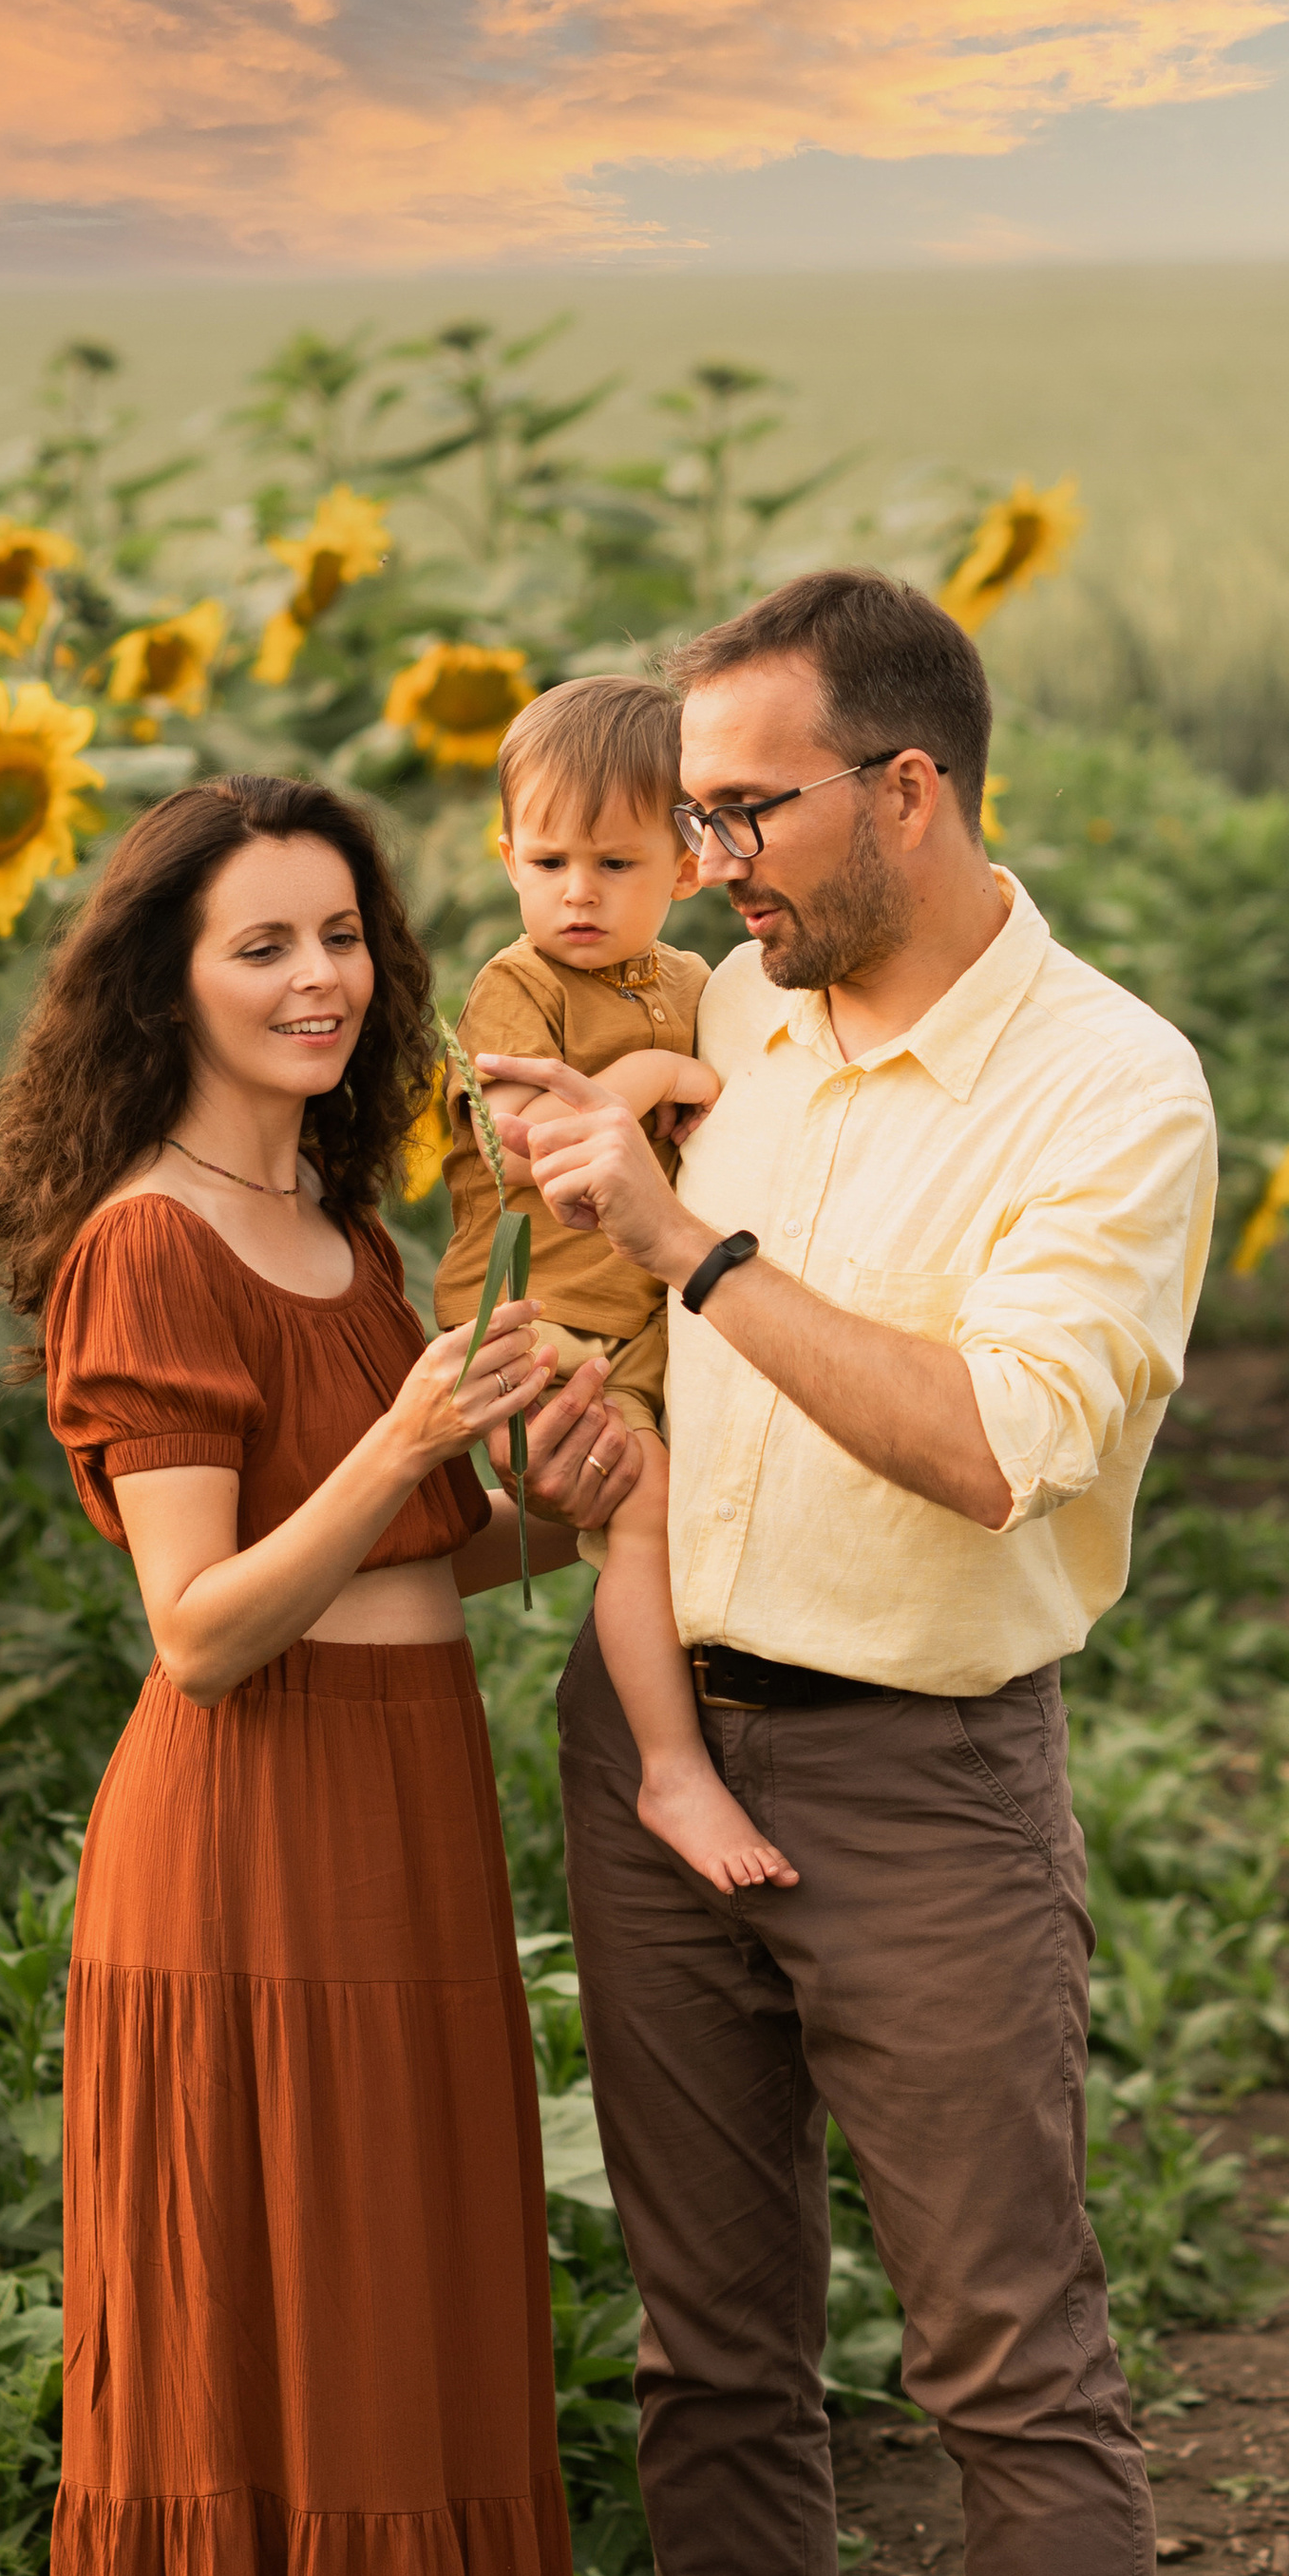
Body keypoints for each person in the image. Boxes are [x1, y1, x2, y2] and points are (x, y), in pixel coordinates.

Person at [512, 574, 1219, 2576]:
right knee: (710, 2354)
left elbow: (989, 1445)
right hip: (661, 1742)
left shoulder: (1107, 1087)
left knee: (1005, 2366)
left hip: (920, 1778)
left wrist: (694, 1247)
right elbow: (652, 1356)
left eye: (748, 809)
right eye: (690, 813)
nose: (704, 863)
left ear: (908, 787)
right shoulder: (735, 1021)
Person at [0, 773, 642, 2576]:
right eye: (261, 941)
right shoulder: (147, 1247)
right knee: (310, 2348)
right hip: (242, 1854)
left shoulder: (348, 1238)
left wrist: (552, 1505)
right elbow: (202, 1626)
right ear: (164, 979)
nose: (319, 978)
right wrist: (401, 1442)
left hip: (399, 1828)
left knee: (352, 2322)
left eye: (342, 935)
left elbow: (399, 1570)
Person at [439, 675, 794, 1899]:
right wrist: (653, 1079)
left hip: (646, 1320)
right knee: (641, 1499)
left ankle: (728, 1725)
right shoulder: (520, 984)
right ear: (507, 859)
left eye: (614, 863)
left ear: (688, 866)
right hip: (534, 1320)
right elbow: (531, 1140)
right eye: (548, 862)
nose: (577, 893)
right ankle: (669, 1769)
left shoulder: (697, 985)